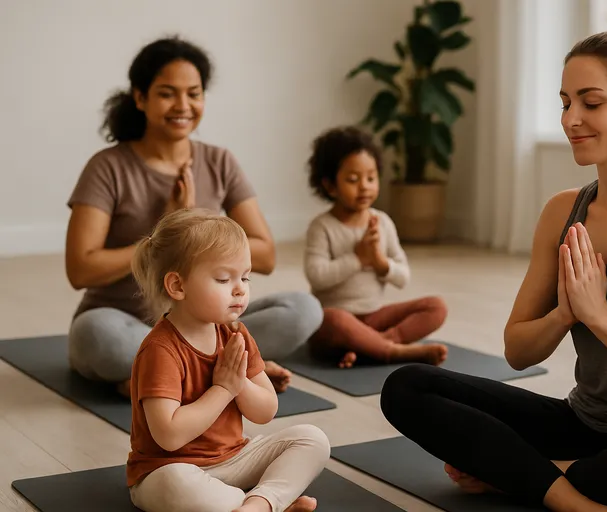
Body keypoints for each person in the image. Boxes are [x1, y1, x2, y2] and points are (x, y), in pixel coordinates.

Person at [379, 31, 607, 512]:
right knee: (408, 386)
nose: (571, 120)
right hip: (585, 427)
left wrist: (599, 316)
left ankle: (526, 477)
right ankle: (572, 497)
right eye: (566, 102)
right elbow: (517, 351)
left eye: (591, 103)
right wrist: (564, 315)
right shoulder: (563, 212)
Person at [65, 36, 322, 395]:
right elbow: (80, 269)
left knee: (303, 308)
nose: (183, 105)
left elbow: (265, 255)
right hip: (123, 322)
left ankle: (174, 376)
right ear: (140, 98)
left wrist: (197, 227)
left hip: (207, 326)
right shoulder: (107, 167)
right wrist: (166, 227)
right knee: (95, 334)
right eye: (167, 93)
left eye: (194, 93)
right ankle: (229, 367)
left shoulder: (219, 162)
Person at [126, 208, 329, 512]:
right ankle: (266, 505)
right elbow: (169, 436)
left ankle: (258, 504)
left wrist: (239, 385)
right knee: (175, 484)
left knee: (313, 440)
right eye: (223, 279)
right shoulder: (160, 349)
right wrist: (223, 390)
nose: (240, 289)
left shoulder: (235, 334)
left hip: (235, 458)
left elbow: (265, 411)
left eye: (244, 277)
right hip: (170, 468)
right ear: (178, 286)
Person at [303, 126, 448, 368]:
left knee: (436, 306)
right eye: (353, 179)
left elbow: (403, 278)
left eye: (371, 178)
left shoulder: (383, 222)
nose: (364, 186)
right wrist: (358, 258)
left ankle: (377, 344)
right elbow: (317, 277)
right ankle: (392, 352)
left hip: (374, 317)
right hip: (335, 325)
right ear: (329, 186)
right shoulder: (322, 227)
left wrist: (380, 263)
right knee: (331, 318)